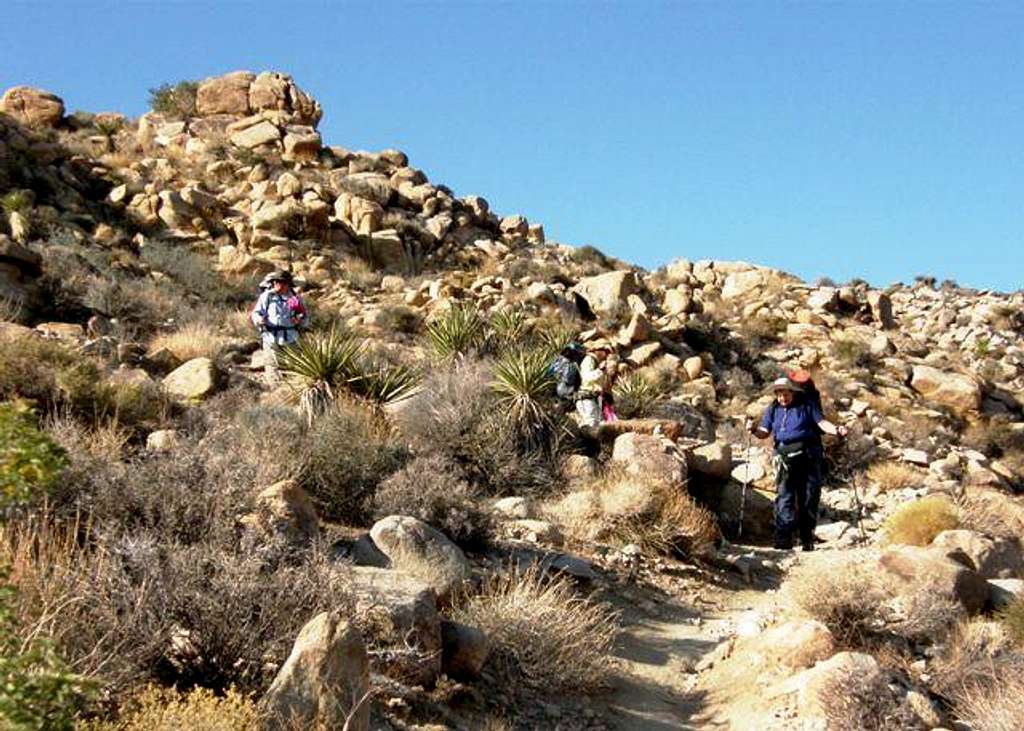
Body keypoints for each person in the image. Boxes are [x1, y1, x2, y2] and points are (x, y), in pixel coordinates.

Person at [746, 376, 848, 551]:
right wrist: (754, 430)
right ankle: (783, 539)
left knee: (809, 496)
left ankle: (806, 538)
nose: (782, 398)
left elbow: (821, 423)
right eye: (779, 395)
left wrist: (837, 430)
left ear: (792, 392)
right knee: (785, 496)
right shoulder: (773, 408)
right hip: (783, 456)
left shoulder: (807, 405)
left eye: (785, 394)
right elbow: (765, 431)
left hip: (808, 455)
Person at [251, 270, 308, 383]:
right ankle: (274, 392)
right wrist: (259, 320)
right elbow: (256, 313)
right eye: (276, 282)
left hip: (291, 338)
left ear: (287, 284)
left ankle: (290, 390)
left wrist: (299, 320)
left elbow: (304, 317)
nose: (277, 284)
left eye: (281, 282)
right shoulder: (267, 297)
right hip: (270, 337)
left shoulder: (293, 299)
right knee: (272, 367)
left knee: (293, 366)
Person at [576, 346, 608, 427]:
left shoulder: (596, 362)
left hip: (593, 398)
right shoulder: (589, 360)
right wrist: (600, 370)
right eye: (605, 351)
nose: (606, 354)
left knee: (599, 422)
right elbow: (587, 377)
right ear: (597, 350)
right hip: (587, 398)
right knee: (591, 422)